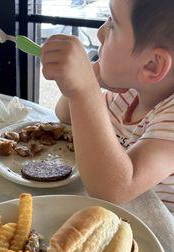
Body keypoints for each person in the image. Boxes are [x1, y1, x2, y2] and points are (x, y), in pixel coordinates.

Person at [41, 0, 174, 213]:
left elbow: (116, 188)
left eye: (113, 24)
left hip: (159, 239)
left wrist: (86, 90)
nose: (100, 32)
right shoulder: (127, 95)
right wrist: (84, 84)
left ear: (152, 65)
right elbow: (65, 116)